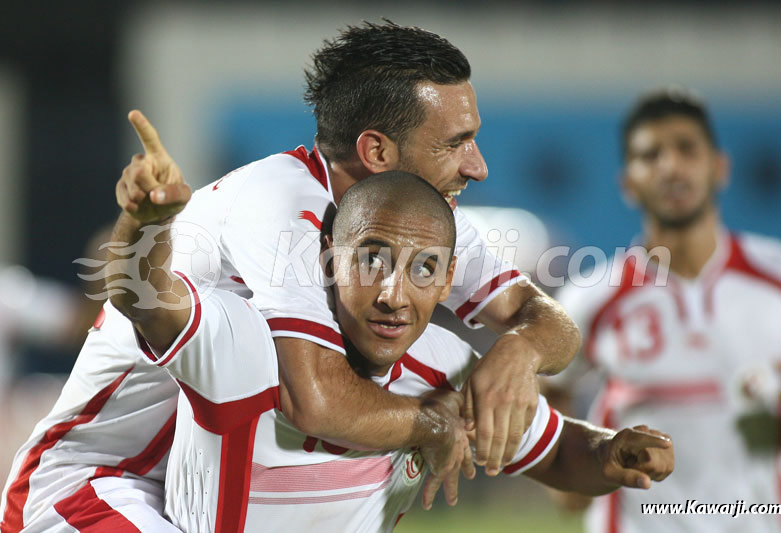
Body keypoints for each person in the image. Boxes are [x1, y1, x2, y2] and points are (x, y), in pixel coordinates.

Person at [0, 21, 580, 531]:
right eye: (457, 143)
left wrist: (521, 352)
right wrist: (436, 423)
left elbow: (553, 324)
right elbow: (318, 402)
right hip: (95, 488)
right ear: (376, 151)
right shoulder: (279, 204)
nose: (478, 166)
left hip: (199, 494)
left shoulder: (417, 216)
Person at [114, 166, 673, 532]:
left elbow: (554, 452)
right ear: (330, 257)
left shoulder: (448, 367)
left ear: (450, 277)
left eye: (424, 269)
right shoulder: (250, 342)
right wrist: (146, 225)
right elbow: (148, 303)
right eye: (372, 259)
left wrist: (610, 455)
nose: (394, 296)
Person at [548, 87, 781, 533]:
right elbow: (552, 385)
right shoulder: (593, 295)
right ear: (628, 183)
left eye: (686, 149)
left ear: (719, 167)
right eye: (651, 155)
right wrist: (565, 476)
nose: (671, 166)